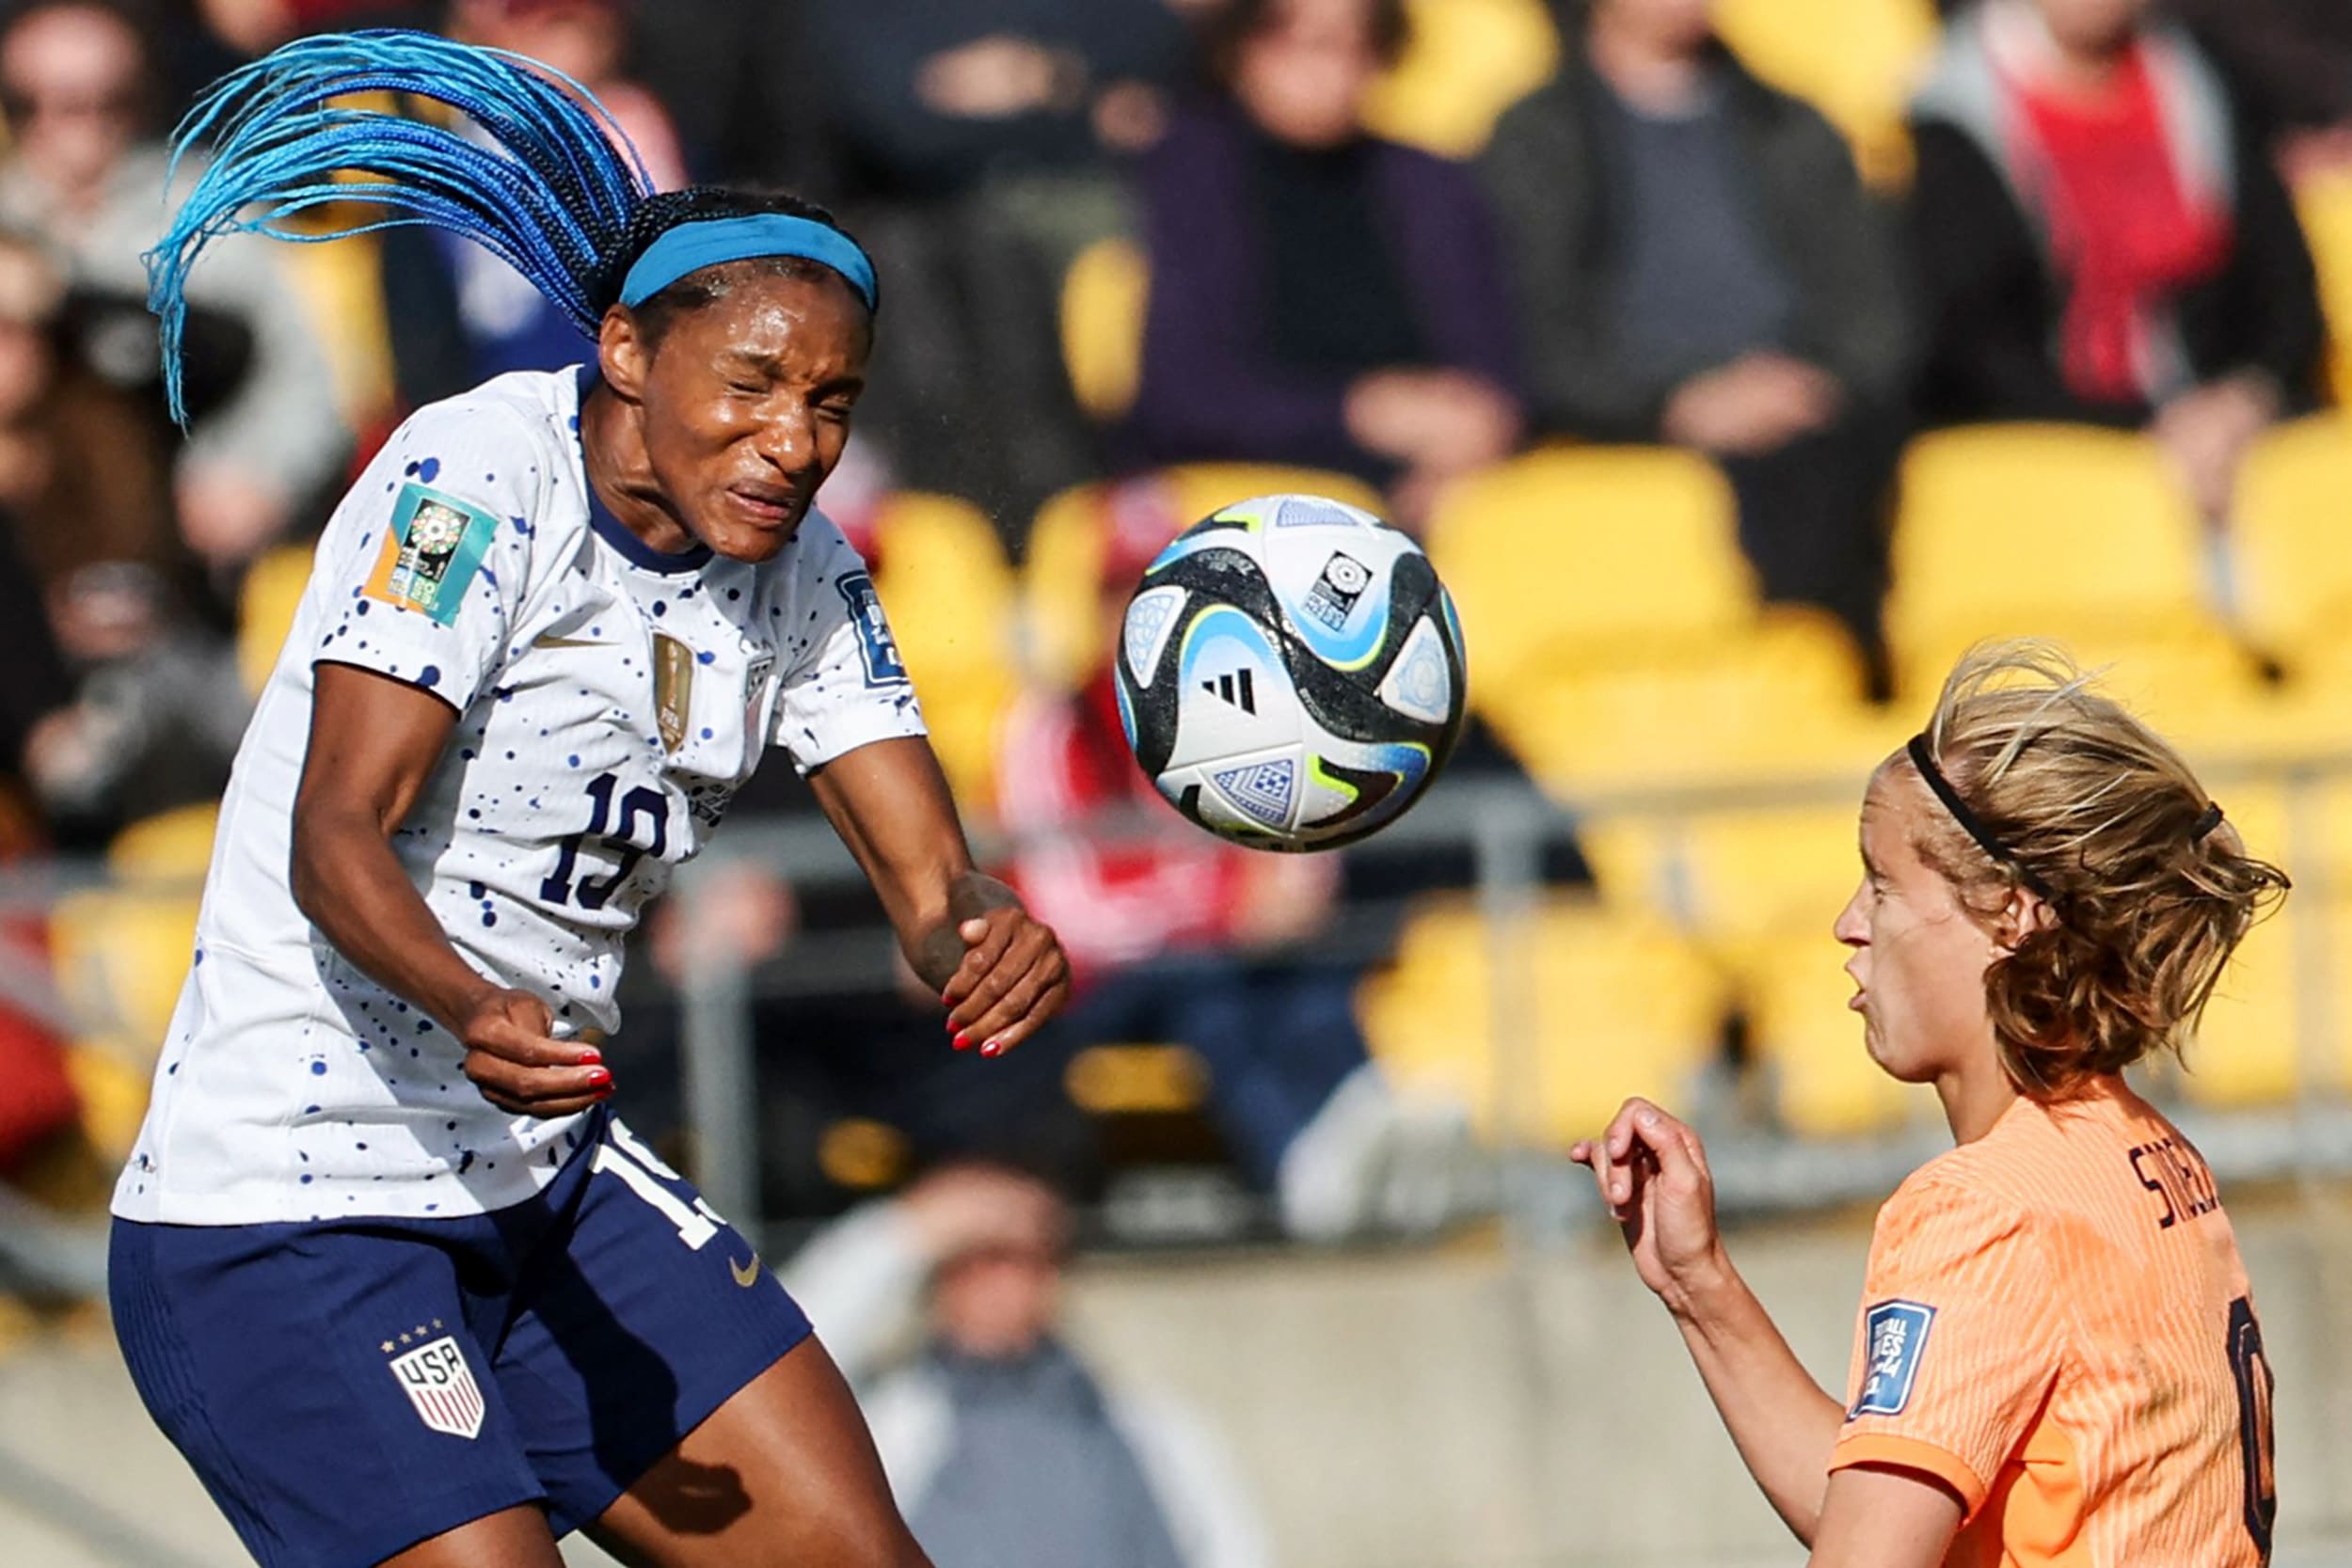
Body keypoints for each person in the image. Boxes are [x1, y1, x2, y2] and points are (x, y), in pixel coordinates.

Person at [106, 31, 1070, 1568]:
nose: (794, 440)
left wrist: (987, 929)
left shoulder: (806, 566)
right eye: (752, 385)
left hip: (544, 1182)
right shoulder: (473, 479)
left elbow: (929, 881)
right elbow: (334, 836)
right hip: (289, 1214)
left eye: (832, 400)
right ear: (625, 352)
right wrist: (465, 998)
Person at [1573, 640, 2286, 1567]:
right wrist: (1696, 1281)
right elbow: (1883, 1504)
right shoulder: (2153, 1156)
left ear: (2011, 913)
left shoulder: (1983, 1207)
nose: (1848, 922)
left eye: (1882, 879)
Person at [1479, 0, 1910, 670]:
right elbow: (1539, 334)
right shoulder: (1536, 135)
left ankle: (1832, 677)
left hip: (1809, 421)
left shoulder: (1793, 124)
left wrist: (1808, 386)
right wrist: (1674, 406)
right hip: (1625, 418)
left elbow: (1874, 318)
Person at [1908, 0, 2328, 523]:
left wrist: (2245, 398)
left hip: (2219, 424)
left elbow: (2285, 292)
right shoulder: (1949, 117)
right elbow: (1971, 349)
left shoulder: (2207, 82)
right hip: (2048, 444)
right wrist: (2149, 431)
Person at [1128, 0, 1522, 522]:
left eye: (1355, 46)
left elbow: (1498, 371)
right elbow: (1184, 397)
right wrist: (1357, 412)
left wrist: (1462, 448)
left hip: (1426, 491)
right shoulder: (1185, 176)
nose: (1328, 69)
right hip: (1243, 502)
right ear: (1242, 47)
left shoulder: (1429, 184)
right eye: (1301, 43)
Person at [0, 1, 347, 576]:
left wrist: (260, 473)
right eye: (49, 104)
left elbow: (313, 368)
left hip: (186, 552)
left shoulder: (212, 210)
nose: (82, 126)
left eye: (108, 100)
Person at [782, 1164, 1271, 1568]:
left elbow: (1236, 1553)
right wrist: (908, 1230)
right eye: (970, 1258)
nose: (996, 1281)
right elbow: (778, 1360)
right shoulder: (884, 1424)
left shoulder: (1151, 1432)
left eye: (1017, 1258)